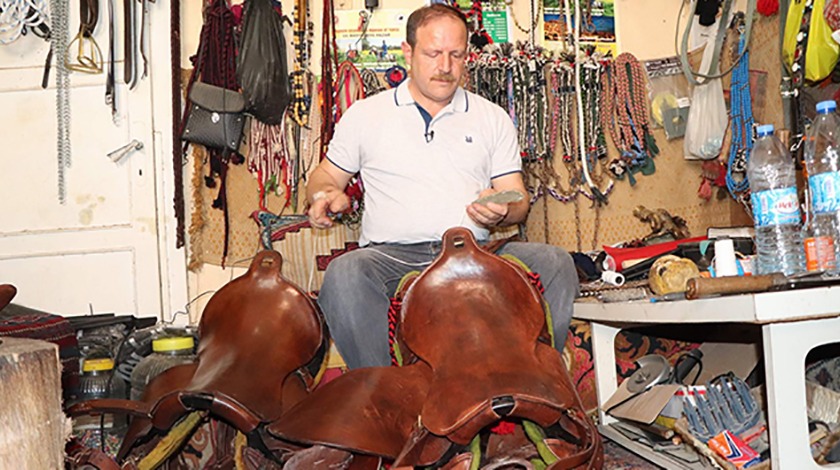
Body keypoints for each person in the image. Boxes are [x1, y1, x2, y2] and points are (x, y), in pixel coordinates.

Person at [306, 3, 578, 369]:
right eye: (434, 53)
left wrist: (503, 209)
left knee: (555, 263)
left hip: (473, 253)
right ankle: (386, 393)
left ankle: (536, 377)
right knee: (345, 274)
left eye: (456, 55)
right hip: (392, 257)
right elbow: (324, 177)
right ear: (409, 52)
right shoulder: (365, 115)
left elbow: (518, 199)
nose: (446, 67)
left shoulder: (491, 118)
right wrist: (324, 195)